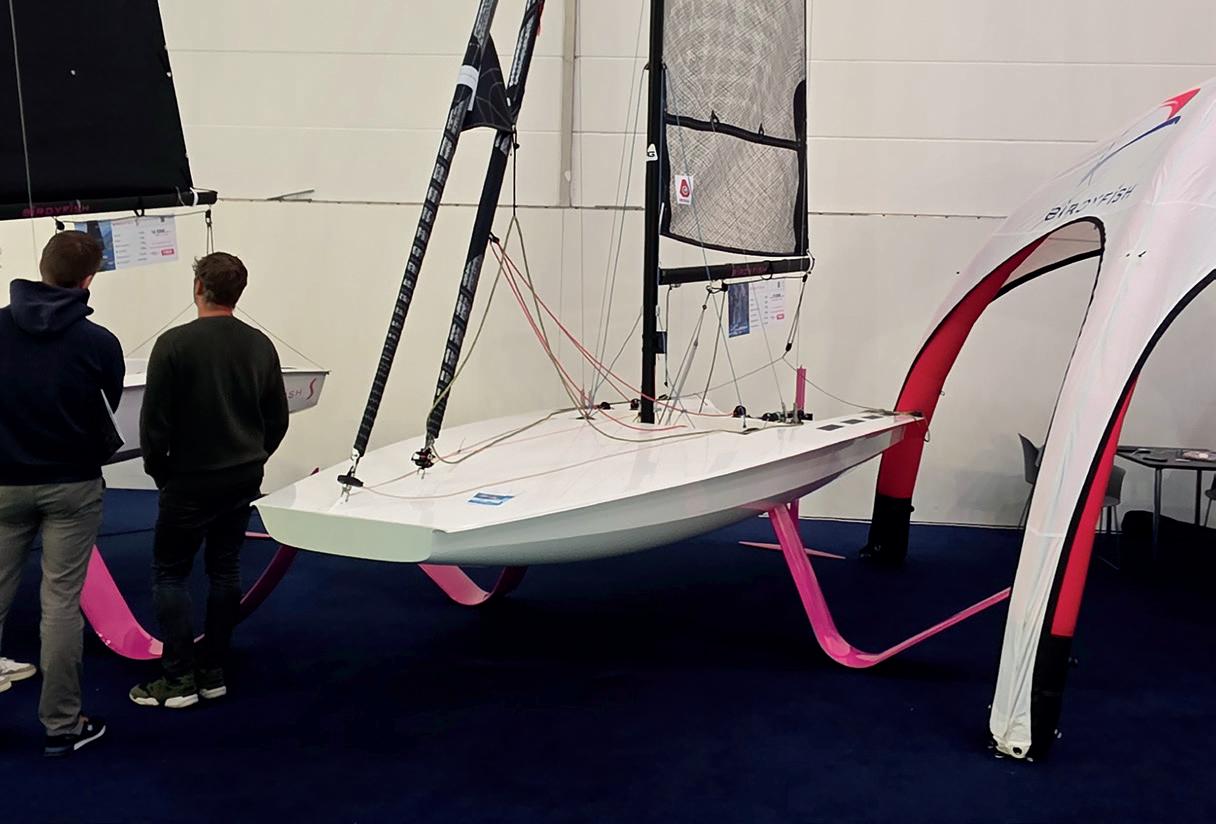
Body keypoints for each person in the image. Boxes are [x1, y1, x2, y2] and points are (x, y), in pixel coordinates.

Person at [130, 251, 288, 709]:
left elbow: (153, 425)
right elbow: (277, 418)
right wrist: (254, 457)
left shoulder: (173, 344)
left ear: (198, 287)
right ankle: (214, 670)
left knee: (170, 573)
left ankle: (178, 678)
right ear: (239, 292)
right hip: (242, 476)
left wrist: (161, 473)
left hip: (188, 480)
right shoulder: (260, 345)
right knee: (225, 568)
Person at [0, 231, 123, 756]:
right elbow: (108, 405)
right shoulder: (99, 343)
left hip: (3, 483)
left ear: (41, 268)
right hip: (72, 483)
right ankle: (63, 725)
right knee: (60, 605)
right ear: (88, 280)